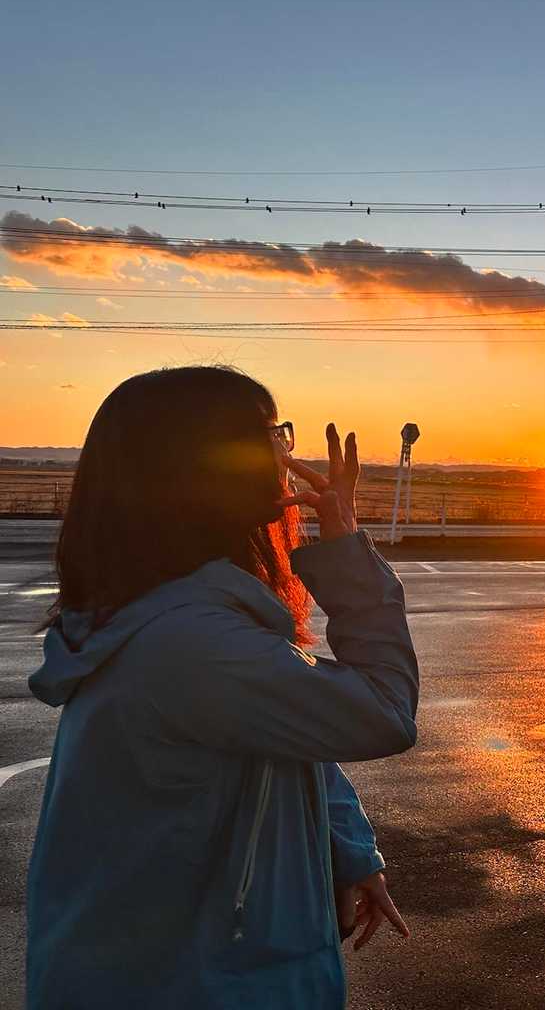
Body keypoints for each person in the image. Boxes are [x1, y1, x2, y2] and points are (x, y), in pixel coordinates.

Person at [26, 366, 420, 1010]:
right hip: (197, 981)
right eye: (269, 435)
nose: (284, 455)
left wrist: (348, 848)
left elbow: (278, 737)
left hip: (181, 965)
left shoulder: (163, 612)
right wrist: (347, 551)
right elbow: (384, 711)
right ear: (206, 467)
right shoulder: (192, 642)